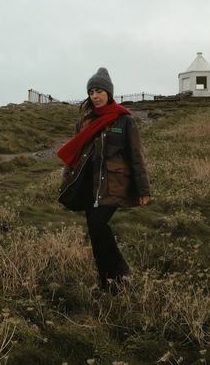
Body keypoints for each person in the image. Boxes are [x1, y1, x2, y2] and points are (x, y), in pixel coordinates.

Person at [57, 67, 150, 292]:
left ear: (109, 93)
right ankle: (106, 282)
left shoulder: (124, 120)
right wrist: (66, 181)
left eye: (99, 91)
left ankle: (120, 270)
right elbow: (77, 155)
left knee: (98, 224)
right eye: (91, 92)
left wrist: (142, 188)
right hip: (89, 184)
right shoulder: (85, 122)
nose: (95, 96)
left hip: (114, 184)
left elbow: (136, 156)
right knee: (94, 230)